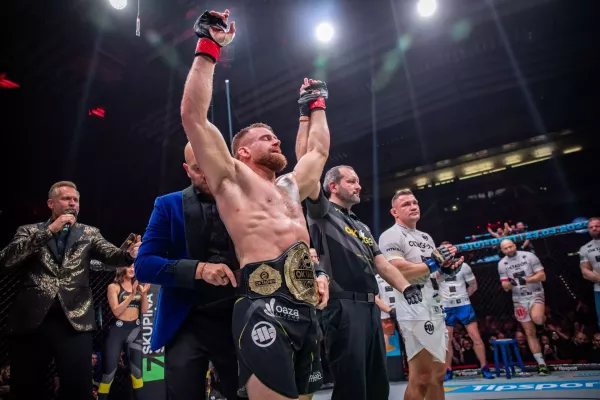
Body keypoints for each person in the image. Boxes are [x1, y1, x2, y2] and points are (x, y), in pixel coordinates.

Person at [181, 9, 331, 400]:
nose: (277, 141)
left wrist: (314, 105)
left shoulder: (291, 186)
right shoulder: (231, 179)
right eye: (267, 138)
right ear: (243, 151)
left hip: (305, 305)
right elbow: (193, 117)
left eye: (276, 136)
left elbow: (318, 151)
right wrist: (209, 46)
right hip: (263, 304)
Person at [0, 180, 140, 400]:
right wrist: (49, 231)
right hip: (32, 320)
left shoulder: (89, 233)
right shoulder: (29, 230)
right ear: (51, 203)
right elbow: (7, 259)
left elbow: (111, 255)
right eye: (66, 199)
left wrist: (128, 255)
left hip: (75, 320)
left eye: (76, 200)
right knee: (27, 388)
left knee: (78, 389)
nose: (72, 203)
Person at [134, 143, 243, 400]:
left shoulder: (248, 201)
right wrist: (199, 269)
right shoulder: (168, 205)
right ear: (187, 170)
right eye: (197, 168)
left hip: (238, 316)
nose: (206, 173)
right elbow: (143, 265)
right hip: (187, 320)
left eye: (211, 165)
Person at [305, 166, 423, 400]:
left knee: (377, 383)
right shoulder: (323, 213)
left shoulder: (361, 226)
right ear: (333, 186)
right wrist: (315, 147)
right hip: (343, 305)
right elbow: (309, 178)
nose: (358, 186)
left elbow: (382, 264)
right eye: (351, 181)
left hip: (370, 308)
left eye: (358, 181)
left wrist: (406, 287)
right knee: (352, 385)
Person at [378, 189, 463, 400]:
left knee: (438, 375)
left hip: (435, 307)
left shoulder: (426, 237)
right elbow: (397, 269)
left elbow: (428, 274)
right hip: (413, 310)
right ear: (394, 212)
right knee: (422, 378)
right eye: (406, 204)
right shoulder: (391, 235)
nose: (413, 206)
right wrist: (434, 263)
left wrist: (445, 271)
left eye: (415, 202)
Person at [437, 241, 494, 381]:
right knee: (447, 340)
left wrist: (464, 296)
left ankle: (484, 367)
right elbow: (432, 287)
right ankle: (448, 370)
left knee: (475, 337)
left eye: (449, 249)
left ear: (453, 251)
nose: (447, 252)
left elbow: (473, 285)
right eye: (443, 250)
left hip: (463, 305)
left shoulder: (463, 266)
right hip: (446, 306)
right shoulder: (436, 268)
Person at [498, 239, 550, 375]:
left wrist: (526, 279)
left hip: (535, 293)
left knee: (537, 319)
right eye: (505, 248)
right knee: (529, 332)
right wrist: (509, 284)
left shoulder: (529, 256)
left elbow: (542, 276)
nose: (509, 250)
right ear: (502, 250)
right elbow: (505, 286)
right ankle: (542, 364)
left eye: (510, 247)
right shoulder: (502, 264)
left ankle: (545, 319)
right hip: (519, 298)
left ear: (514, 245)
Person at [98, 265, 150, 399]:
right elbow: (116, 311)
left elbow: (144, 310)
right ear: (121, 268)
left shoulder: (138, 286)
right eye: (129, 267)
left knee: (137, 374)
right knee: (108, 374)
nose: (132, 269)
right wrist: (131, 295)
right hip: (117, 332)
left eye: (134, 267)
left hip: (135, 331)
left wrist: (143, 295)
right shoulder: (113, 287)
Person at [578, 217, 600, 330]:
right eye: (591, 227)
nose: (594, 229)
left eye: (597, 226)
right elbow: (585, 271)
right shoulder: (584, 249)